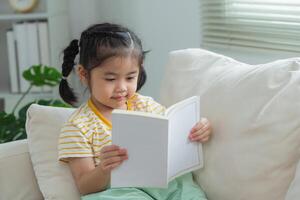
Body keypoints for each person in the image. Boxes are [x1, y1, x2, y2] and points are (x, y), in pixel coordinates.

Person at [58, 23, 212, 200]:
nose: (122, 88)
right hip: (123, 192)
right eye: (110, 79)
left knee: (190, 192)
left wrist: (198, 129)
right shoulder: (77, 127)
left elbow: (173, 134)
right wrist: (104, 169)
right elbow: (85, 186)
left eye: (130, 77)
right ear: (84, 74)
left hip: (169, 186)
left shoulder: (145, 105)